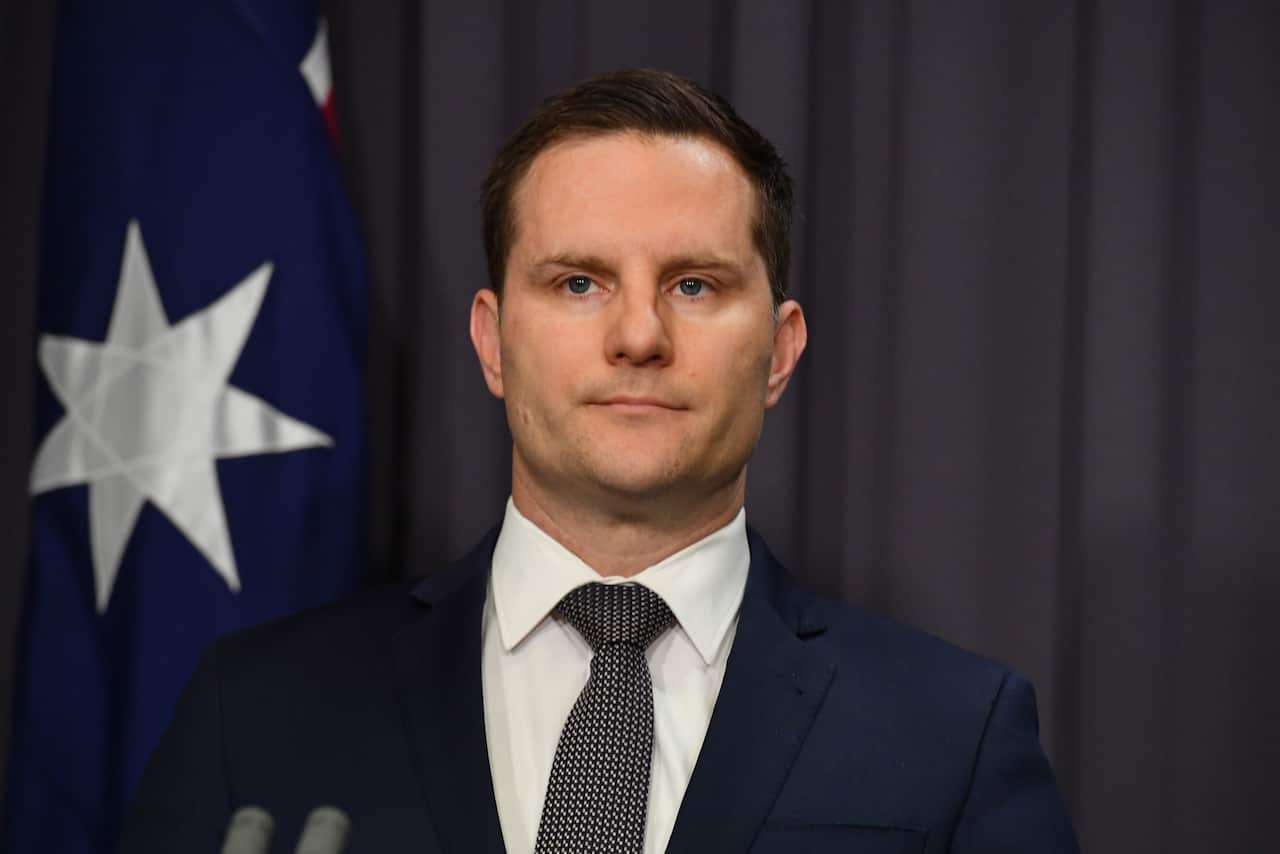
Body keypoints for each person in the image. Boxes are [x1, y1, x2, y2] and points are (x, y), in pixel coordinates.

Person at [122, 69, 1078, 853]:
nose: (637, 336)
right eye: (578, 282)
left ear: (780, 352)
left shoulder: (953, 734)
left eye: (694, 284)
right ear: (494, 344)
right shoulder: (251, 716)